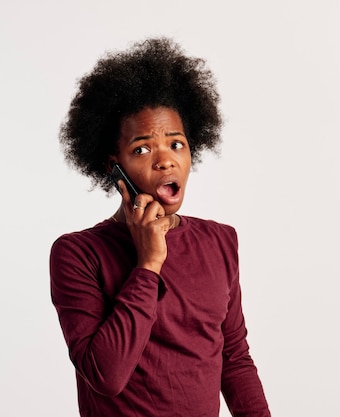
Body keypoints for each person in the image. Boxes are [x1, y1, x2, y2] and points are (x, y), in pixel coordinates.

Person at [50, 37, 271, 417]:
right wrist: (148, 264)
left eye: (176, 144)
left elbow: (233, 359)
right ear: (112, 167)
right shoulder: (77, 254)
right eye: (142, 149)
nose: (165, 162)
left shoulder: (220, 241)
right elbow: (106, 375)